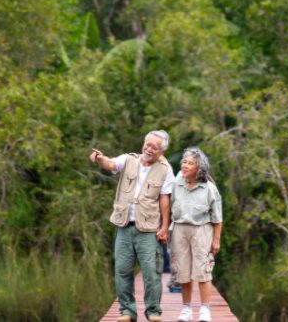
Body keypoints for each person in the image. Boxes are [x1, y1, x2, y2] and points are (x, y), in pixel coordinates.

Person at [90, 130, 174, 322]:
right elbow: (110, 164)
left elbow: (164, 199)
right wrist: (100, 159)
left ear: (161, 151)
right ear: (143, 143)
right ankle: (127, 311)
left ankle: (153, 311)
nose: (149, 148)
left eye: (155, 147)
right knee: (122, 269)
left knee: (152, 272)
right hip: (124, 225)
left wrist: (164, 227)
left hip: (149, 229)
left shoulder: (166, 169)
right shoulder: (129, 159)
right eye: (148, 144)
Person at [170, 147, 222, 322]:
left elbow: (217, 218)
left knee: (203, 271)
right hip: (179, 230)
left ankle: (205, 310)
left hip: (202, 230)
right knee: (182, 270)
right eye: (184, 161)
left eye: (190, 163)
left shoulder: (209, 188)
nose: (185, 165)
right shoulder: (177, 184)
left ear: (199, 167)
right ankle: (186, 309)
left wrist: (216, 240)